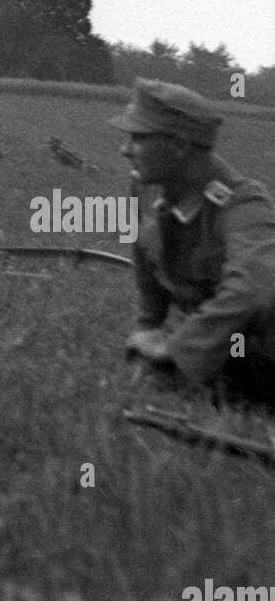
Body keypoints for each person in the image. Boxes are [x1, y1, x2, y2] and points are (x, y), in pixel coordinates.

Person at [110, 78, 275, 407]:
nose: (124, 149)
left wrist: (174, 349)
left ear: (180, 146)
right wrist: (146, 329)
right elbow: (145, 255)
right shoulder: (145, 187)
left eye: (138, 138)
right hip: (214, 353)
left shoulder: (244, 206)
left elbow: (253, 290)